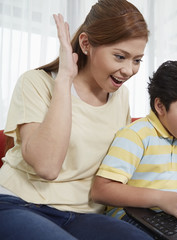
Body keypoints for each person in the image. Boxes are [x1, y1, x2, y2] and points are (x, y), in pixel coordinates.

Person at [0, 0, 153, 239]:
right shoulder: (35, 83)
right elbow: (47, 167)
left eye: (137, 60)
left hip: (83, 215)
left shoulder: (120, 96)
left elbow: (120, 166)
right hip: (19, 203)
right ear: (85, 44)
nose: (129, 70)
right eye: (120, 56)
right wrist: (65, 78)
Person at [90, 61, 177, 229]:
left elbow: (168, 177)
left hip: (166, 217)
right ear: (160, 106)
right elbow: (101, 190)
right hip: (129, 216)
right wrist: (160, 198)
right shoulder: (136, 135)